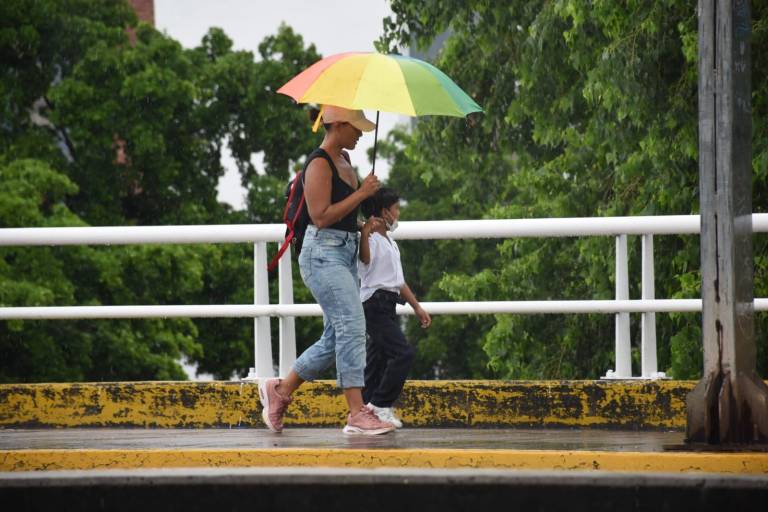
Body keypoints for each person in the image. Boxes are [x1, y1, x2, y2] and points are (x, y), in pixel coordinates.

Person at [258, 105, 396, 435]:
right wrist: (362, 192)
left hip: (344, 251)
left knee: (336, 336)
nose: (362, 133)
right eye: (356, 127)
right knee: (351, 324)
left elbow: (343, 215)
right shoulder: (318, 163)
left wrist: (364, 226)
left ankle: (279, 392)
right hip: (322, 255)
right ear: (336, 124)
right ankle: (356, 412)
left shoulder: (345, 162)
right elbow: (320, 216)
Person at [358, 188, 431, 428]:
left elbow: (398, 282)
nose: (398, 213)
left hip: (388, 305)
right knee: (403, 353)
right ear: (384, 212)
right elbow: (365, 260)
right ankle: (380, 405)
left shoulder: (391, 243)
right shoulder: (369, 239)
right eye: (396, 209)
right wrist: (365, 232)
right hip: (373, 305)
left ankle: (364, 411)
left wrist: (417, 308)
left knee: (376, 361)